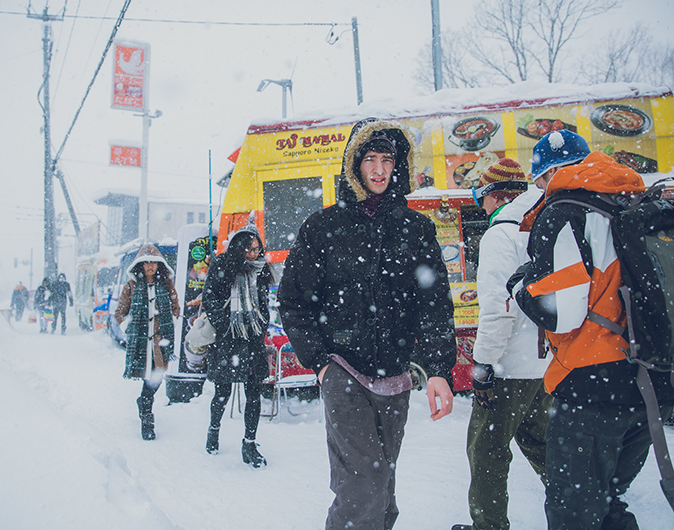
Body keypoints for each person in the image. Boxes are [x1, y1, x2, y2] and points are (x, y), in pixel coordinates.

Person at [277, 117, 456, 530]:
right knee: (362, 486)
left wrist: (439, 369)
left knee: (383, 489)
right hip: (344, 370)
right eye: (370, 159)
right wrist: (321, 362)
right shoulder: (324, 227)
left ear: (399, 165)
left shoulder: (416, 228)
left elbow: (434, 305)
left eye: (387, 159)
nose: (378, 169)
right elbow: (294, 299)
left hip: (395, 376)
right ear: (353, 165)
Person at [509, 130, 674, 529]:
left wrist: (520, 285)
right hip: (649, 382)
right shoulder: (628, 202)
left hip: (590, 387)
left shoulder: (565, 210)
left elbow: (562, 311)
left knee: (573, 513)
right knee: (609, 504)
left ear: (546, 176)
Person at [452, 159, 551, 530]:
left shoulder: (500, 235)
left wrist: (484, 364)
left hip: (509, 364)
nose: (483, 206)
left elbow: (498, 308)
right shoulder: (542, 226)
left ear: (495, 196)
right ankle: (577, 510)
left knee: (486, 450)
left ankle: (489, 525)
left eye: (483, 197)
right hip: (544, 363)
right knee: (544, 446)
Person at [201, 225, 274, 468]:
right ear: (238, 247)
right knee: (222, 392)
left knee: (254, 393)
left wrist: (261, 326)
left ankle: (249, 444)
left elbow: (263, 302)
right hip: (227, 340)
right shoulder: (222, 265)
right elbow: (209, 298)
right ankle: (214, 430)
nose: (253, 254)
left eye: (256, 249)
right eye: (249, 249)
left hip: (252, 340)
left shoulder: (262, 270)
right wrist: (225, 327)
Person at [114, 244, 180, 441]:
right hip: (141, 343)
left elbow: (176, 308)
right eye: (146, 262)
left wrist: (171, 323)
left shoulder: (167, 285)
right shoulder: (131, 286)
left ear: (159, 265)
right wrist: (131, 329)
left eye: (153, 262)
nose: (150, 266)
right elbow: (120, 313)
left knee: (156, 378)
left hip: (161, 342)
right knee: (147, 378)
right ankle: (147, 419)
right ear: (140, 265)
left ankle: (143, 402)